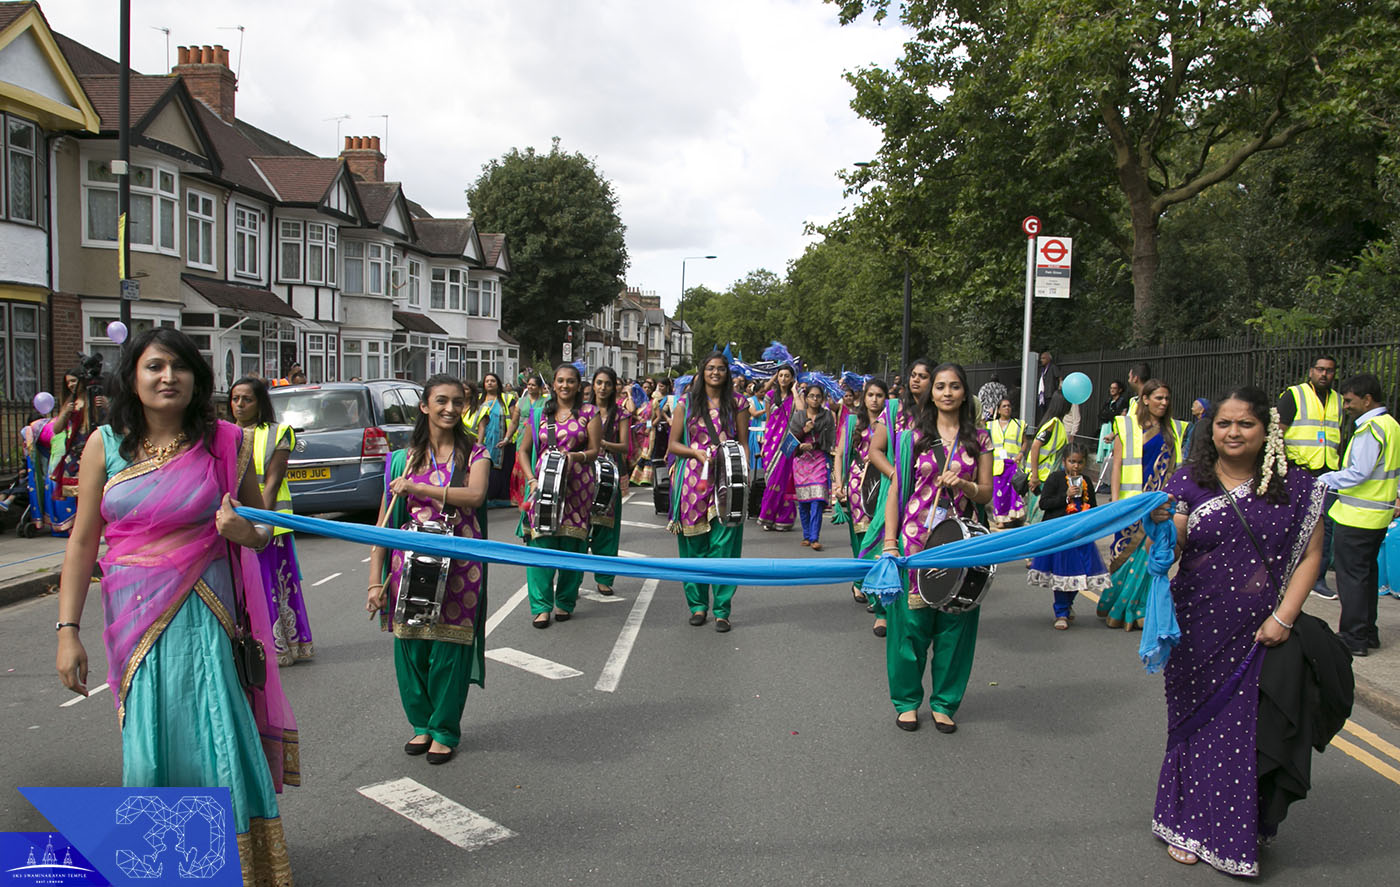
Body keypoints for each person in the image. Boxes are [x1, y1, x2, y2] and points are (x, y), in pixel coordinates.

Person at [54, 328, 297, 885]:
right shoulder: (104, 445)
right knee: (149, 751)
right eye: (155, 367)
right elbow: (83, 541)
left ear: (197, 378)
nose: (169, 378)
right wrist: (68, 629)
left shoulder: (224, 442)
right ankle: (165, 868)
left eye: (181, 367)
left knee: (217, 737)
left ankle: (237, 867)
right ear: (132, 378)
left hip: (207, 618)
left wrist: (245, 530)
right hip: (133, 624)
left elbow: (263, 528)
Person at [1152, 386, 1327, 875]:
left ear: (1267, 429)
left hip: (1262, 630)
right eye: (1223, 423)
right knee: (1196, 725)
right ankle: (1185, 822)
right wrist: (1162, 524)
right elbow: (1179, 543)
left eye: (1244, 423)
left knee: (1247, 733)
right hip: (1198, 627)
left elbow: (1312, 555)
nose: (1232, 432)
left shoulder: (1296, 487)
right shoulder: (1190, 480)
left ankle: (1241, 827)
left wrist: (1284, 617)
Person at [367, 375, 490, 766]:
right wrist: (374, 580)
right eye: (441, 401)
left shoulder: (475, 454)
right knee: (411, 647)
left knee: (450, 648)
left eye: (457, 401)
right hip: (409, 566)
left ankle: (444, 729)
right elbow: (383, 524)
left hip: (461, 567)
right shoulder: (403, 460)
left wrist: (421, 490)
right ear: (425, 406)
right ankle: (421, 723)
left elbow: (475, 495)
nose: (450, 409)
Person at [877, 362, 993, 733]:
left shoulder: (980, 439)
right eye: (940, 386)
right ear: (932, 393)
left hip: (961, 542)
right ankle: (907, 701)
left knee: (954, 625)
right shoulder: (912, 437)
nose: (946, 392)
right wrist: (890, 543)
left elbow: (987, 492)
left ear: (964, 393)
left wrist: (965, 486)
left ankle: (945, 702)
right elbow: (896, 489)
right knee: (910, 625)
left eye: (954, 386)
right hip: (915, 538)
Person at [230, 376, 313, 667]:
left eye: (247, 399)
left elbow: (273, 482)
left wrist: (257, 524)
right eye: (235, 398)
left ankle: (285, 644)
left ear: (260, 403)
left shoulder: (279, 432)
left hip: (269, 522)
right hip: (234, 520)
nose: (240, 405)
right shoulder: (225, 434)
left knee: (275, 584)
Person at [666, 352, 750, 631]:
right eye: (711, 368)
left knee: (725, 545)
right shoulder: (686, 403)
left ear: (728, 373)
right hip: (692, 480)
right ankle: (698, 605)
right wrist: (695, 452)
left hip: (727, 477)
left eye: (721, 369)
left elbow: (742, 441)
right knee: (694, 546)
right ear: (702, 372)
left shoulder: (738, 402)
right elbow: (673, 445)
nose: (716, 373)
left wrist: (746, 475)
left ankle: (722, 609)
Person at [1318, 373, 1400, 656]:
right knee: (1366, 576)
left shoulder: (1370, 429)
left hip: (1357, 516)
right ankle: (1368, 632)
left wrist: (1325, 480)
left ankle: (1353, 637)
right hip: (1377, 516)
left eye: (1350, 400)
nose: (1346, 406)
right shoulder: (1391, 425)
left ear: (1367, 399)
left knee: (1351, 578)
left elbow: (1359, 473)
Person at [1098, 379, 1188, 629]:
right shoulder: (1125, 426)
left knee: (1150, 558)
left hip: (1159, 507)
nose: (1164, 403)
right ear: (1145, 399)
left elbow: (1177, 470)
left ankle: (1140, 609)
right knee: (1124, 557)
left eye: (1167, 398)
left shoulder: (1175, 430)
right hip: (1129, 506)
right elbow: (1116, 465)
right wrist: (1114, 502)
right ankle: (1118, 607)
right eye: (1158, 398)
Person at [517, 363, 600, 627]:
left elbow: (596, 450)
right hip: (543, 488)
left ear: (578, 385)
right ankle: (541, 606)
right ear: (553, 385)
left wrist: (576, 456)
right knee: (540, 546)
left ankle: (565, 602)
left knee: (572, 546)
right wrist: (530, 479)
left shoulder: (590, 413)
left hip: (577, 488)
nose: (565, 386)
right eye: (560, 381)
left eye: (571, 381)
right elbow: (523, 450)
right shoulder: (539, 413)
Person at [1278, 356, 1342, 598]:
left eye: (1329, 370)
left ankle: (1317, 578)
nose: (1324, 374)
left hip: (1328, 472)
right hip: (1299, 468)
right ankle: (1286, 571)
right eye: (1320, 369)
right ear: (1311, 370)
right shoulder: (1295, 395)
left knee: (1324, 526)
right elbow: (1279, 432)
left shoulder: (1338, 399)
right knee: (1292, 523)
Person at [1026, 443, 1109, 628]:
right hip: (1060, 535)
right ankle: (1061, 612)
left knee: (1081, 574)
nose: (1076, 466)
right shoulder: (1055, 478)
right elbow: (1045, 503)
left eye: (1080, 462)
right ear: (1064, 462)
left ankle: (1068, 604)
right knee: (1061, 573)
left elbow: (1093, 508)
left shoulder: (1086, 481)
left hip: (1080, 536)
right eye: (1072, 461)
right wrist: (1066, 496)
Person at [834, 377, 891, 635]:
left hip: (884, 486)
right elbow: (840, 453)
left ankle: (876, 592)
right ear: (863, 397)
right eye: (871, 395)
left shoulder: (891, 424)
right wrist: (839, 483)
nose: (875, 400)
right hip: (857, 486)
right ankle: (861, 580)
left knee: (878, 537)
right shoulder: (852, 423)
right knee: (860, 537)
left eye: (880, 395)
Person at [589, 368, 631, 596]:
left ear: (614, 387)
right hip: (584, 472)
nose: (603, 388)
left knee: (607, 527)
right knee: (578, 527)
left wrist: (603, 443)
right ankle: (571, 578)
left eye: (607, 383)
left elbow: (625, 446)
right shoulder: (583, 411)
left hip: (608, 473)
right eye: (599, 383)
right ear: (593, 385)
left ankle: (604, 577)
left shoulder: (621, 413)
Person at [790, 382, 835, 550]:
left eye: (818, 396)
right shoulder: (799, 416)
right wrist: (804, 432)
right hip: (801, 462)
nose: (815, 399)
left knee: (817, 498)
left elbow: (830, 440)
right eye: (811, 396)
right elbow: (791, 439)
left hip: (819, 460)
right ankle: (806, 535)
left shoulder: (827, 416)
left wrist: (814, 445)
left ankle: (815, 537)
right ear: (806, 398)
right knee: (804, 501)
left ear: (822, 399)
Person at [757, 365, 799, 530]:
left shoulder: (796, 397)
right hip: (771, 442)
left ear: (791, 379)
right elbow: (768, 420)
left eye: (786, 376)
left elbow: (801, 412)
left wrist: (795, 391)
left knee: (785, 479)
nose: (783, 379)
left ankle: (784, 518)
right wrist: (764, 444)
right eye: (780, 375)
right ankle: (768, 516)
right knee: (771, 480)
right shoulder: (769, 396)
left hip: (789, 442)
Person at [467, 372, 516, 508]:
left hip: (504, 441)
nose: (489, 383)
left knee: (503, 470)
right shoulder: (478, 400)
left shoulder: (507, 398)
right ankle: (486, 496)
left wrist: (508, 437)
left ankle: (502, 497)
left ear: (498, 384)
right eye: (487, 381)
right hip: (484, 439)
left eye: (493, 381)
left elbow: (514, 419)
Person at [1024, 394, 1071, 524]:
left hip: (1048, 477)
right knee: (1038, 516)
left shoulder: (1056, 424)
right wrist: (1035, 476)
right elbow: (1035, 446)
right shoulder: (1053, 424)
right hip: (1042, 478)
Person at [987, 397, 1026, 529]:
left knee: (1013, 492)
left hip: (1013, 463)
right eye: (1004, 406)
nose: (1007, 408)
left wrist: (1021, 453)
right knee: (999, 493)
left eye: (1009, 406)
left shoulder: (1019, 425)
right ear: (998, 410)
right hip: (997, 464)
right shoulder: (990, 425)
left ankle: (1013, 517)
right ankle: (1001, 519)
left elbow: (1025, 441)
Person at [509, 373, 545, 504]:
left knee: (534, 465)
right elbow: (514, 422)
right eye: (528, 384)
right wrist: (507, 438)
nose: (530, 387)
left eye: (533, 385)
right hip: (522, 437)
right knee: (521, 468)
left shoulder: (546, 401)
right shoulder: (521, 401)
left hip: (537, 439)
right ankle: (522, 498)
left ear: (540, 387)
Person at [629, 377, 658, 485]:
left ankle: (644, 479)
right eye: (644, 387)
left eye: (648, 388)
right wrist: (638, 419)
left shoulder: (653, 402)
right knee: (637, 453)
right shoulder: (638, 401)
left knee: (646, 454)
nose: (646, 389)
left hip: (648, 431)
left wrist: (650, 426)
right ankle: (634, 478)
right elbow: (632, 414)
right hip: (637, 431)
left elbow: (657, 417)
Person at [1096, 379, 1130, 465]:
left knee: (1112, 448)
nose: (1112, 390)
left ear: (1120, 390)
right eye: (1111, 388)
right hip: (1106, 425)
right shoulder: (1108, 401)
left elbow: (1118, 415)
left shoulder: (1122, 401)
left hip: (1113, 426)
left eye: (1114, 388)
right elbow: (1101, 413)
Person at [1035, 351, 1061, 424]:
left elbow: (1059, 377)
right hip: (1043, 395)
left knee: (1050, 413)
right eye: (1041, 358)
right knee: (1043, 413)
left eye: (1043, 358)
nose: (1041, 360)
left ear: (1048, 359)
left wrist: (1059, 390)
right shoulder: (1043, 369)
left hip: (1050, 394)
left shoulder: (1053, 367)